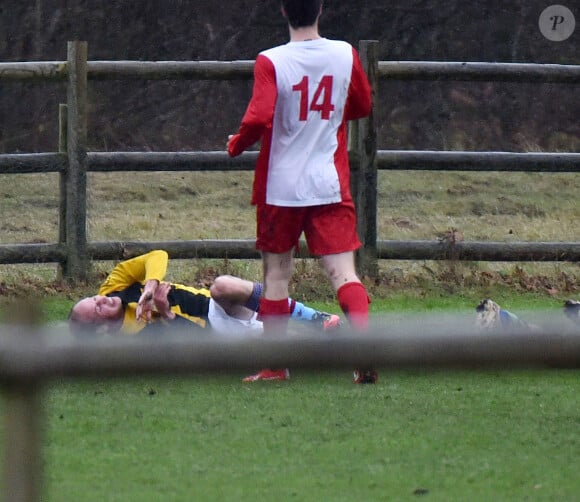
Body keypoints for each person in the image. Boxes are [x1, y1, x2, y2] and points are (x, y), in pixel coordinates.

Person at [227, 0, 376, 383]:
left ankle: (275, 365)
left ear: (282, 12)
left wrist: (237, 143)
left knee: (277, 275)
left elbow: (259, 116)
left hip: (281, 187)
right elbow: (362, 104)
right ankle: (364, 352)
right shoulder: (344, 53)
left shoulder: (271, 61)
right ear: (320, 10)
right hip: (328, 182)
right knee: (344, 274)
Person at [68, 250, 341, 345]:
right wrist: (167, 314)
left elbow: (157, 256)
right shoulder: (128, 343)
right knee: (285, 342)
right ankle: (339, 348)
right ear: (103, 329)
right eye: (98, 309)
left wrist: (150, 285)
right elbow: (190, 347)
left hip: (216, 306)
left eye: (95, 298)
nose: (103, 300)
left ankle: (312, 316)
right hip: (215, 339)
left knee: (222, 285)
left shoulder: (113, 287)